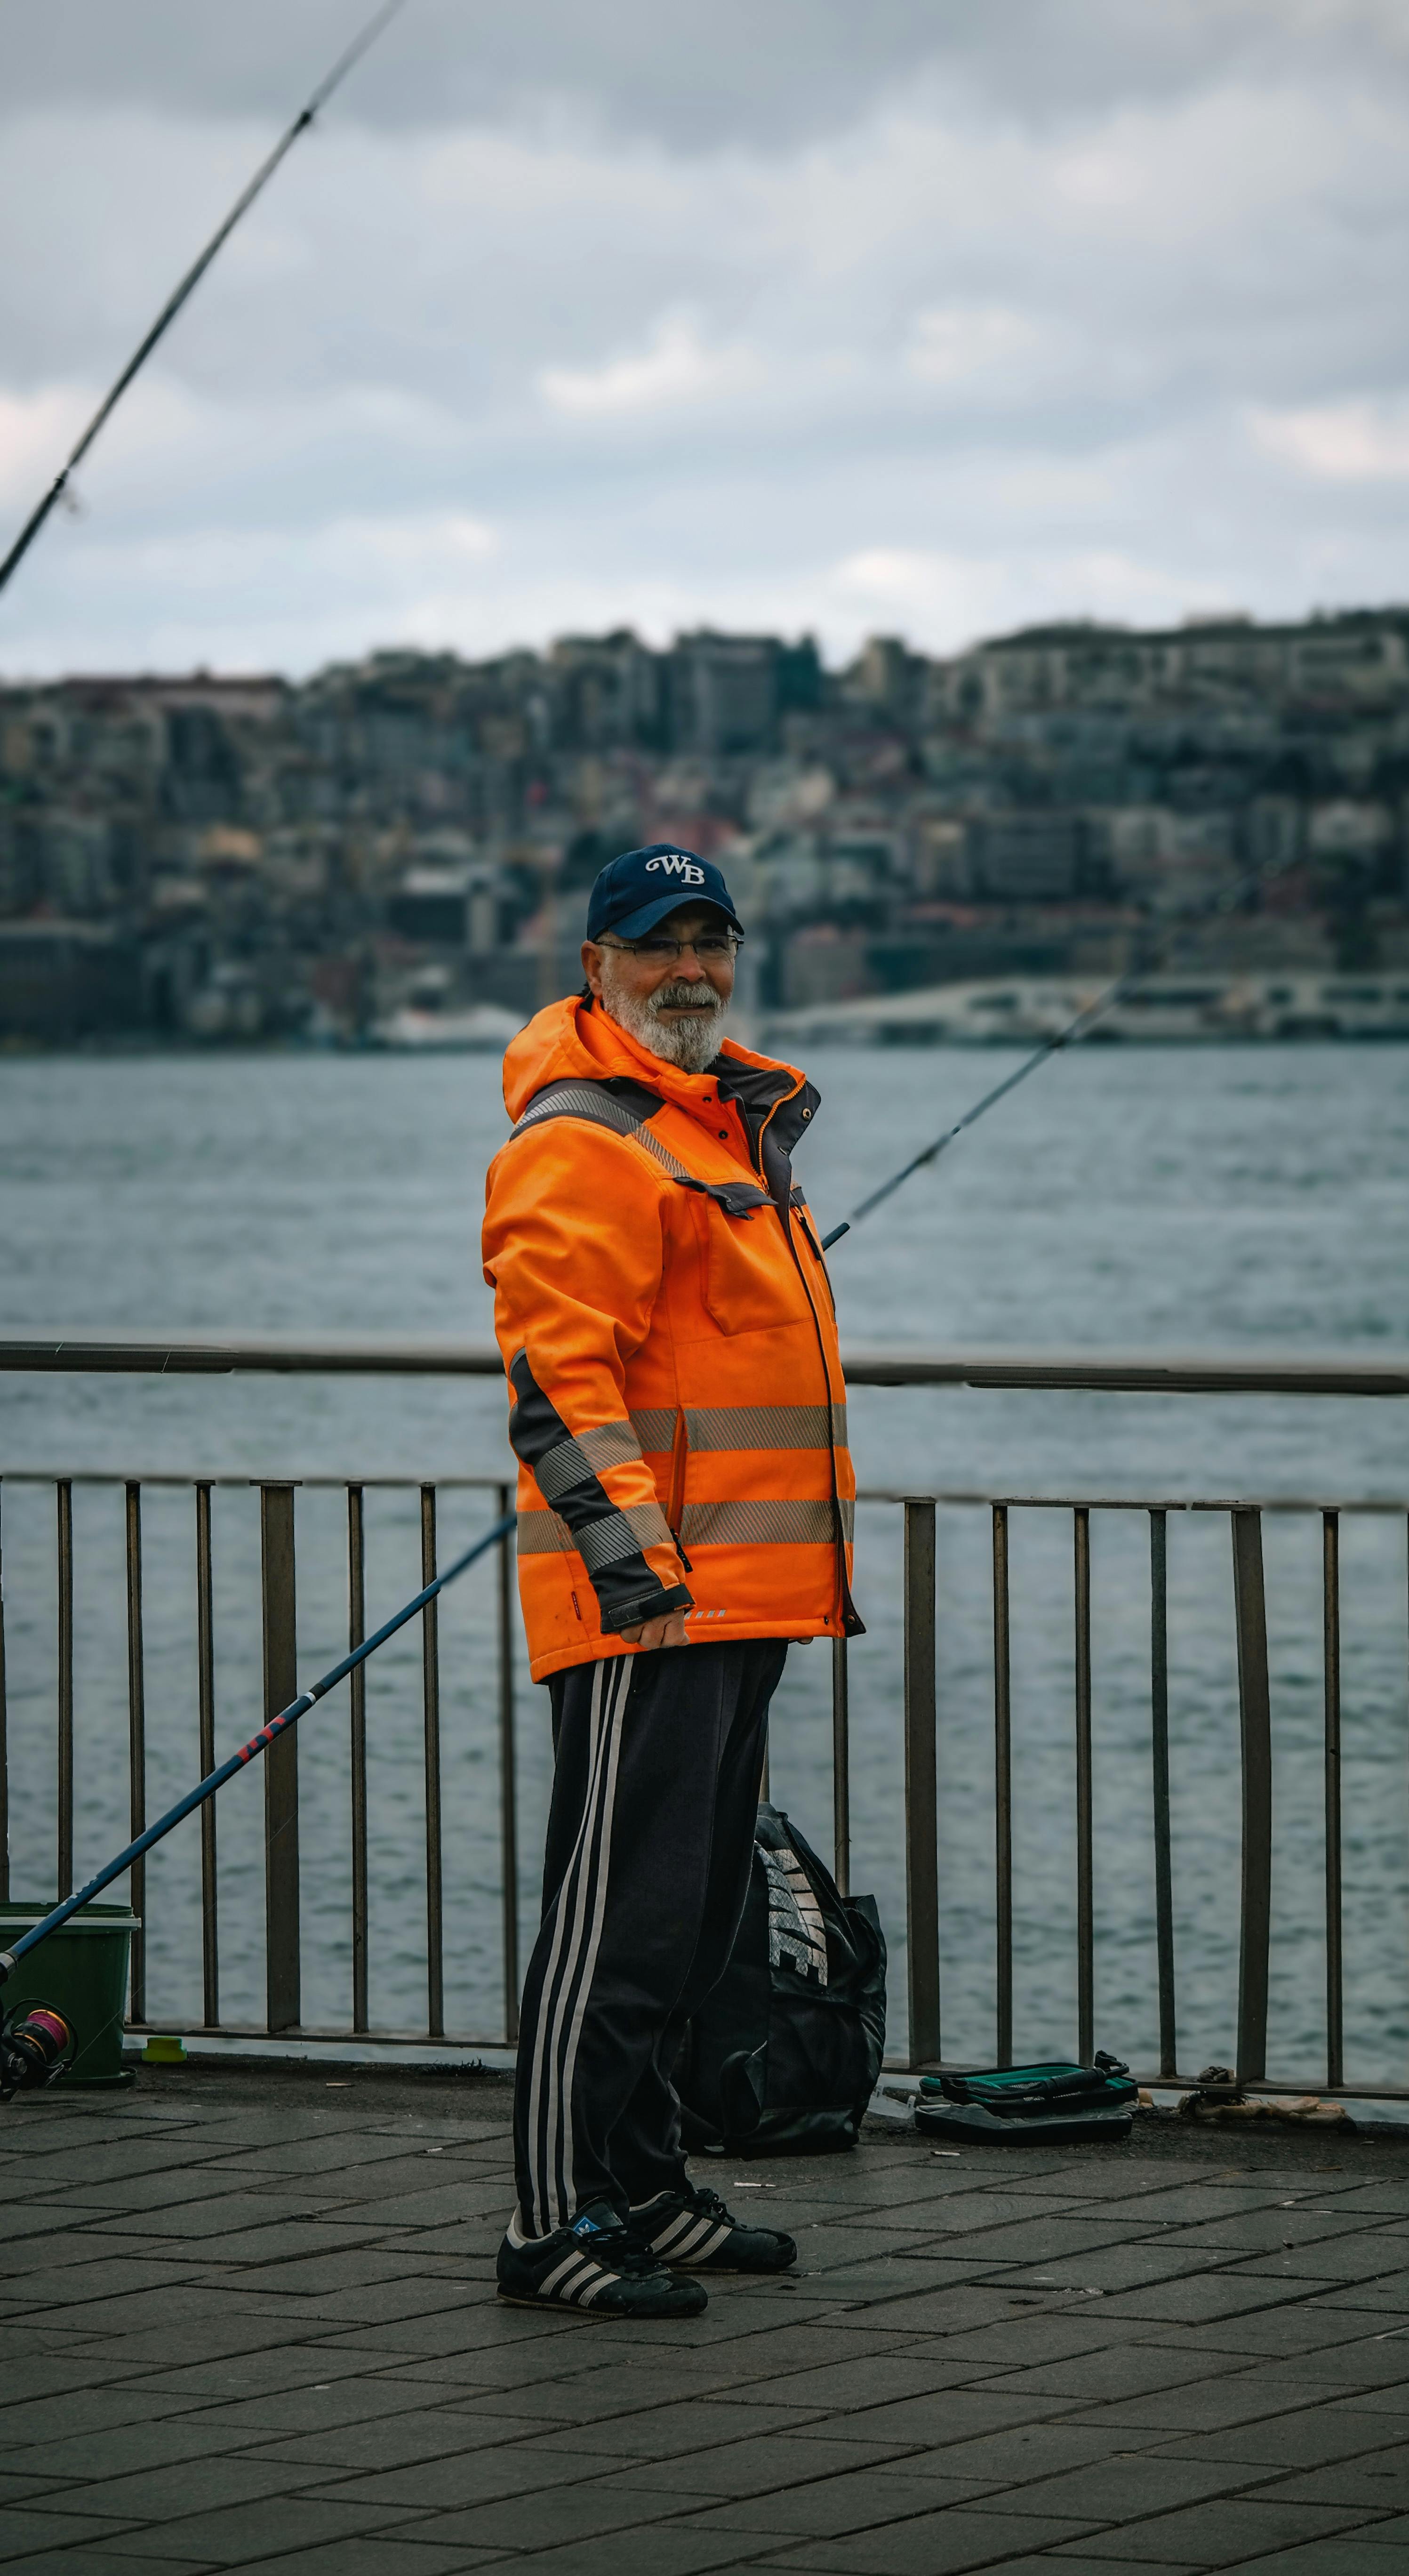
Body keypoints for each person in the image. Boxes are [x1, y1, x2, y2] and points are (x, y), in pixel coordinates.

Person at [481, 842, 861, 2318]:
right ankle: (547, 2221)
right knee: (614, 1921)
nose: (690, 969)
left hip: (748, 1596)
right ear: (596, 969)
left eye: (711, 942)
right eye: (657, 947)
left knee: (694, 1923)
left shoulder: (716, 1131)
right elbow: (556, 1373)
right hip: (651, 1597)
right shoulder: (587, 1137)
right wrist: (636, 1569)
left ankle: (641, 2187)